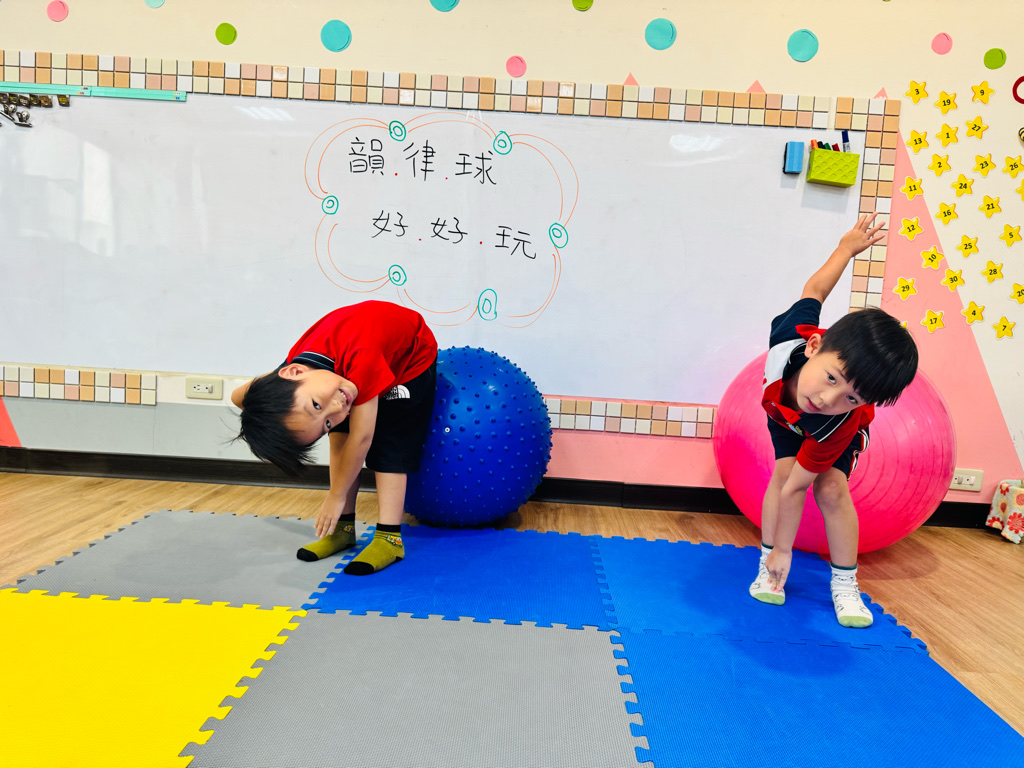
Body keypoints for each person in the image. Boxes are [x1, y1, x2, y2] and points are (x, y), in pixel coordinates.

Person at [749, 213, 919, 627]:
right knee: (781, 473)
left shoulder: (837, 419)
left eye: (851, 396)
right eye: (831, 378)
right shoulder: (788, 339)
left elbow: (798, 489)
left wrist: (789, 548)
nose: (828, 398)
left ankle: (845, 583)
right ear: (813, 346)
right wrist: (845, 249)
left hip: (830, 434)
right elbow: (815, 290)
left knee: (829, 489)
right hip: (785, 416)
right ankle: (768, 565)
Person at [231, 300, 438, 576]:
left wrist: (335, 496)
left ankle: (389, 538)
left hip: (409, 361)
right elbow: (238, 397)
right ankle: (343, 529)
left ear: (294, 372)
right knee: (340, 435)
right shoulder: (298, 377)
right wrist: (267, 411)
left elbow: (363, 439)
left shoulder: (360, 358)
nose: (337, 408)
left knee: (390, 443)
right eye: (324, 421)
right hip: (348, 362)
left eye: (316, 405)